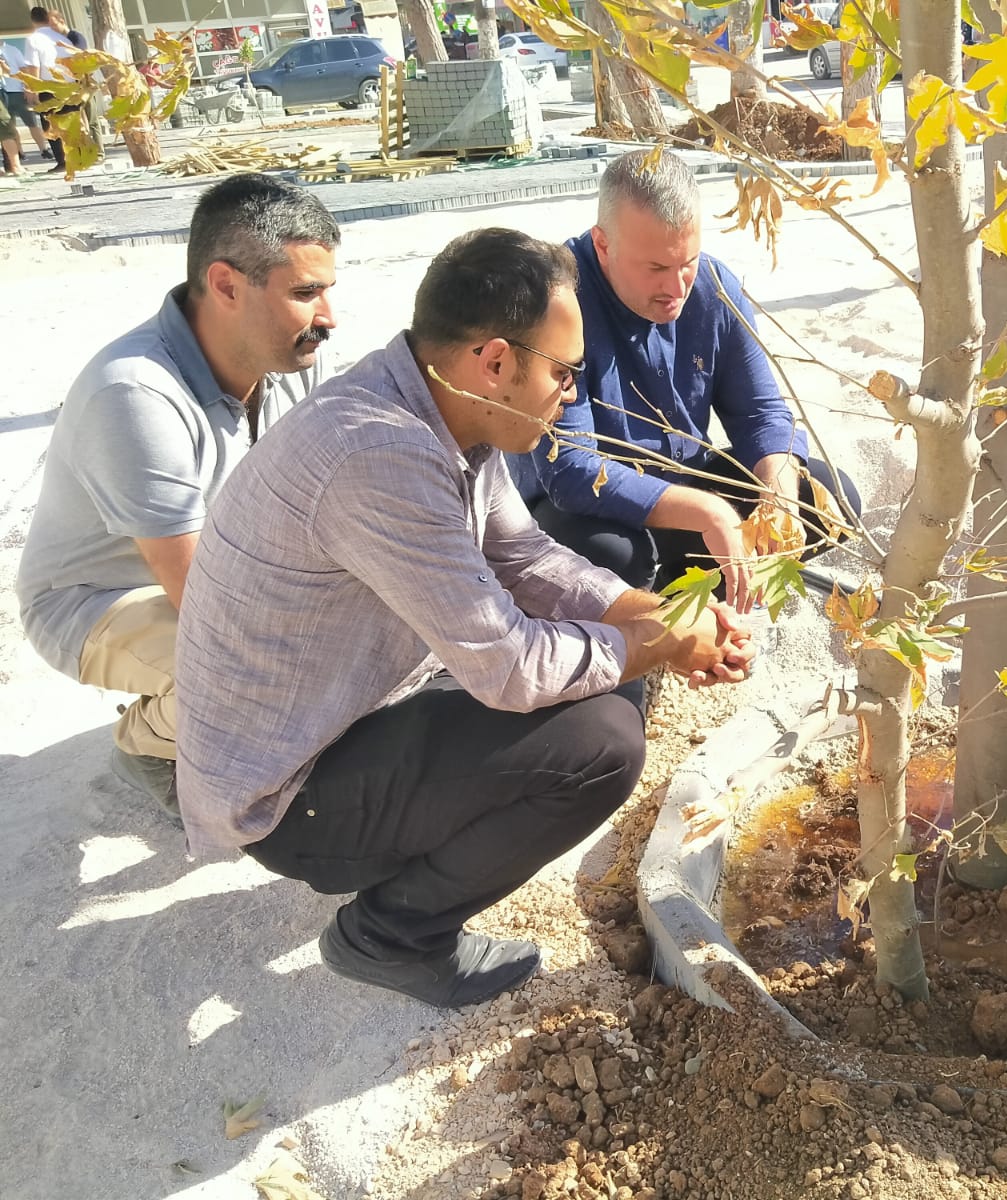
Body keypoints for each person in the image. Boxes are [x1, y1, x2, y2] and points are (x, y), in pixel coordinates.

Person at [174, 228, 755, 1008]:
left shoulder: (436, 400)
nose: (572, 395)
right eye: (565, 373)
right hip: (284, 792)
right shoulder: (381, 455)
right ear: (494, 361)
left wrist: (667, 617)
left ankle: (412, 866)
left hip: (340, 717)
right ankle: (391, 936)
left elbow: (525, 558)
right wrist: (658, 642)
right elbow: (510, 668)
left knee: (611, 684)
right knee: (604, 743)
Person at [16, 174, 338, 817]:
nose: (328, 317)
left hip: (227, 571)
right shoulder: (135, 393)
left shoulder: (292, 359)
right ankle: (149, 745)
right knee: (262, 674)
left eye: (328, 289)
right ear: (225, 285)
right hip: (99, 602)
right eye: (306, 293)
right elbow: (196, 594)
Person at [509, 148, 861, 616]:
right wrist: (710, 511)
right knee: (615, 556)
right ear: (602, 245)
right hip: (583, 510)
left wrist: (778, 496)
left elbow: (761, 412)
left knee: (827, 497)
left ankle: (688, 603)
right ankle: (644, 621)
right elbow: (570, 469)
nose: (677, 288)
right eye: (656, 268)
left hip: (685, 480)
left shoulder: (713, 285)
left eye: (687, 262)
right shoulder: (554, 302)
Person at [23, 6, 77, 172]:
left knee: (51, 124)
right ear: (47, 19)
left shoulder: (33, 39)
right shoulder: (63, 39)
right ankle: (77, 157)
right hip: (69, 85)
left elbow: (34, 66)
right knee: (70, 123)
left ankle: (62, 161)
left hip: (49, 86)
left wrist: (32, 89)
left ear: (32, 21)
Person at [2, 39, 53, 160]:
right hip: (3, 92)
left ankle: (43, 149)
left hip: (18, 91)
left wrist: (28, 87)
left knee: (31, 122)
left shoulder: (12, 50)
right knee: (10, 125)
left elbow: (24, 69)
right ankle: (19, 152)